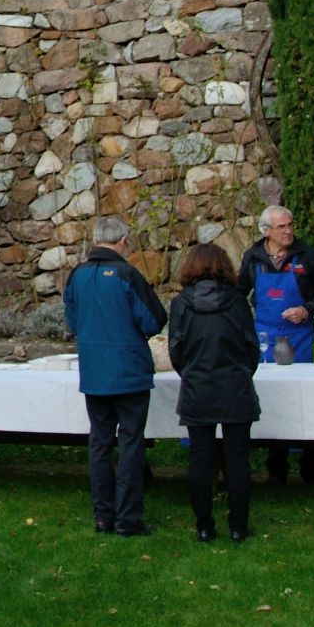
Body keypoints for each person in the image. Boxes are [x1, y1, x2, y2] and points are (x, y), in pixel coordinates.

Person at [63, 215, 167, 536]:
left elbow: (72, 322)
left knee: (99, 443)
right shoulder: (126, 274)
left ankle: (103, 515)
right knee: (130, 444)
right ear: (122, 242)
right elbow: (153, 320)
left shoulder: (75, 276)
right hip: (129, 371)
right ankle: (127, 518)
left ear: (96, 240)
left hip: (95, 372)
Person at [236, 204, 314, 483]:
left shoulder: (309, 255)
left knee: (307, 398)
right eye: (282, 227)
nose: (289, 231)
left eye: (290, 225)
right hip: (266, 336)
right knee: (273, 397)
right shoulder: (253, 257)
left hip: (301, 335)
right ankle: (276, 465)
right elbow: (239, 293)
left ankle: (312, 466)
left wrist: (307, 309)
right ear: (266, 230)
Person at [170, 244, 261, 542]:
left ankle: (205, 526)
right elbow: (251, 347)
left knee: (201, 459)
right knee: (237, 460)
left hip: (200, 386)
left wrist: (193, 372)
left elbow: (176, 350)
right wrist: (240, 371)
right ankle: (237, 525)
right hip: (233, 384)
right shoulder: (237, 302)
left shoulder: (183, 304)